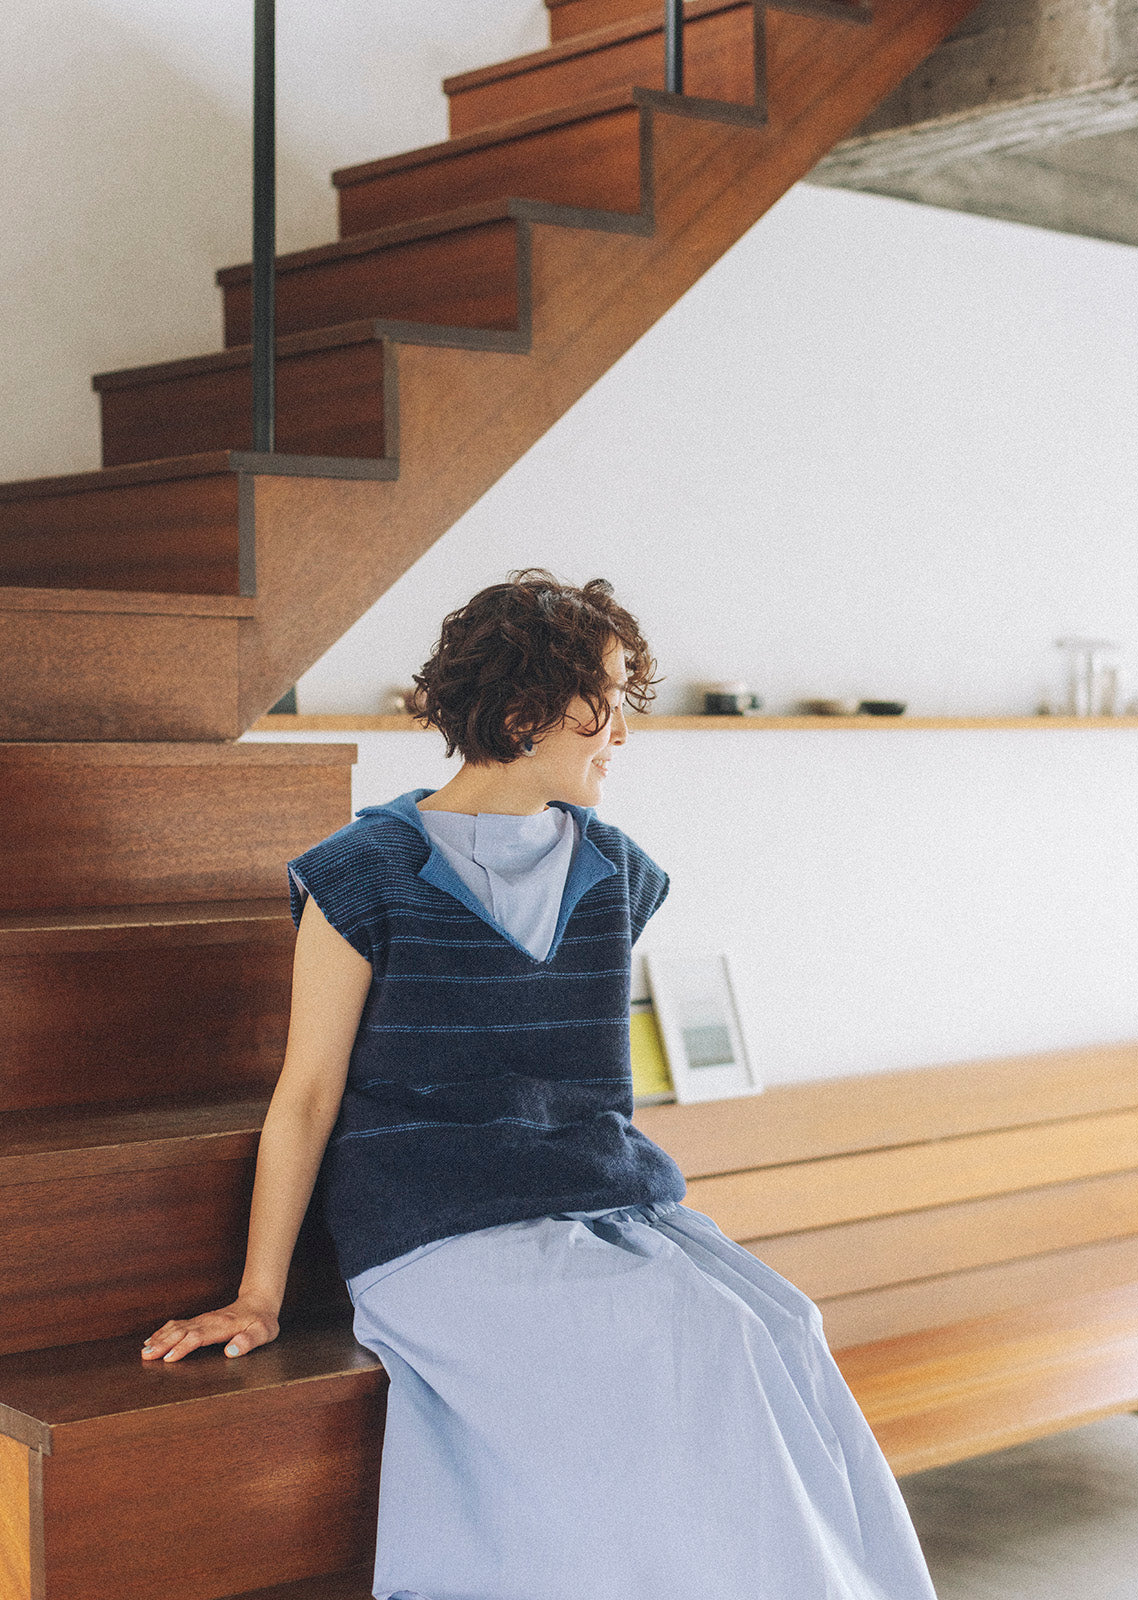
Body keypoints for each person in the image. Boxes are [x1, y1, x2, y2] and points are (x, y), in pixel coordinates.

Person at [141, 568, 938, 1600]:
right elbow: (305, 1097)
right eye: (603, 703)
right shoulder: (362, 876)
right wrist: (261, 1295)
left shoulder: (617, 872)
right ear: (523, 714)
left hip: (600, 1204)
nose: (623, 735)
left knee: (781, 1325)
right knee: (701, 1344)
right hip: (436, 1227)